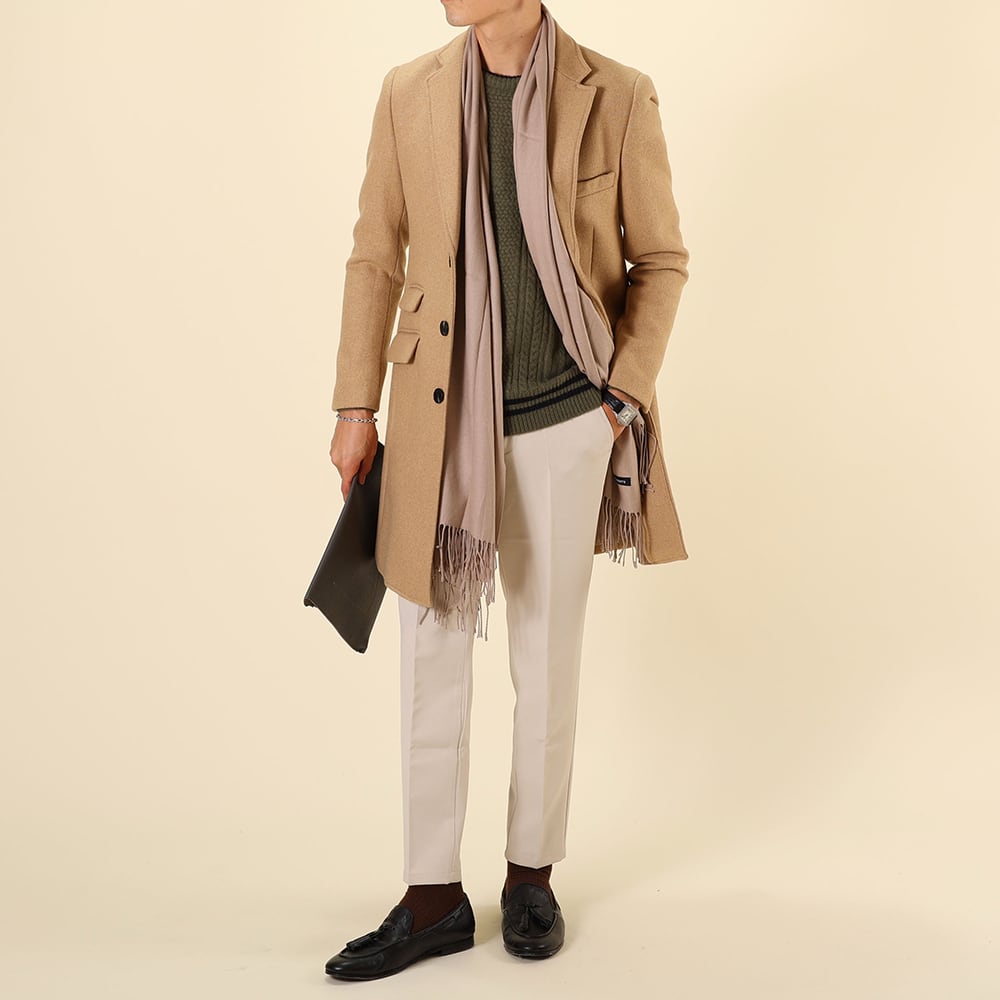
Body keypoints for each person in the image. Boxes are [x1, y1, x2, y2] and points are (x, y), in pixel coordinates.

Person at [324, 0, 689, 981]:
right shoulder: (408, 93)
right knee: (430, 655)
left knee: (546, 655)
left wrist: (620, 396)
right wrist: (356, 404)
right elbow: (375, 252)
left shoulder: (617, 94)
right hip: (438, 423)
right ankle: (431, 897)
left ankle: (531, 874)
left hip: (567, 422)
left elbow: (660, 261)